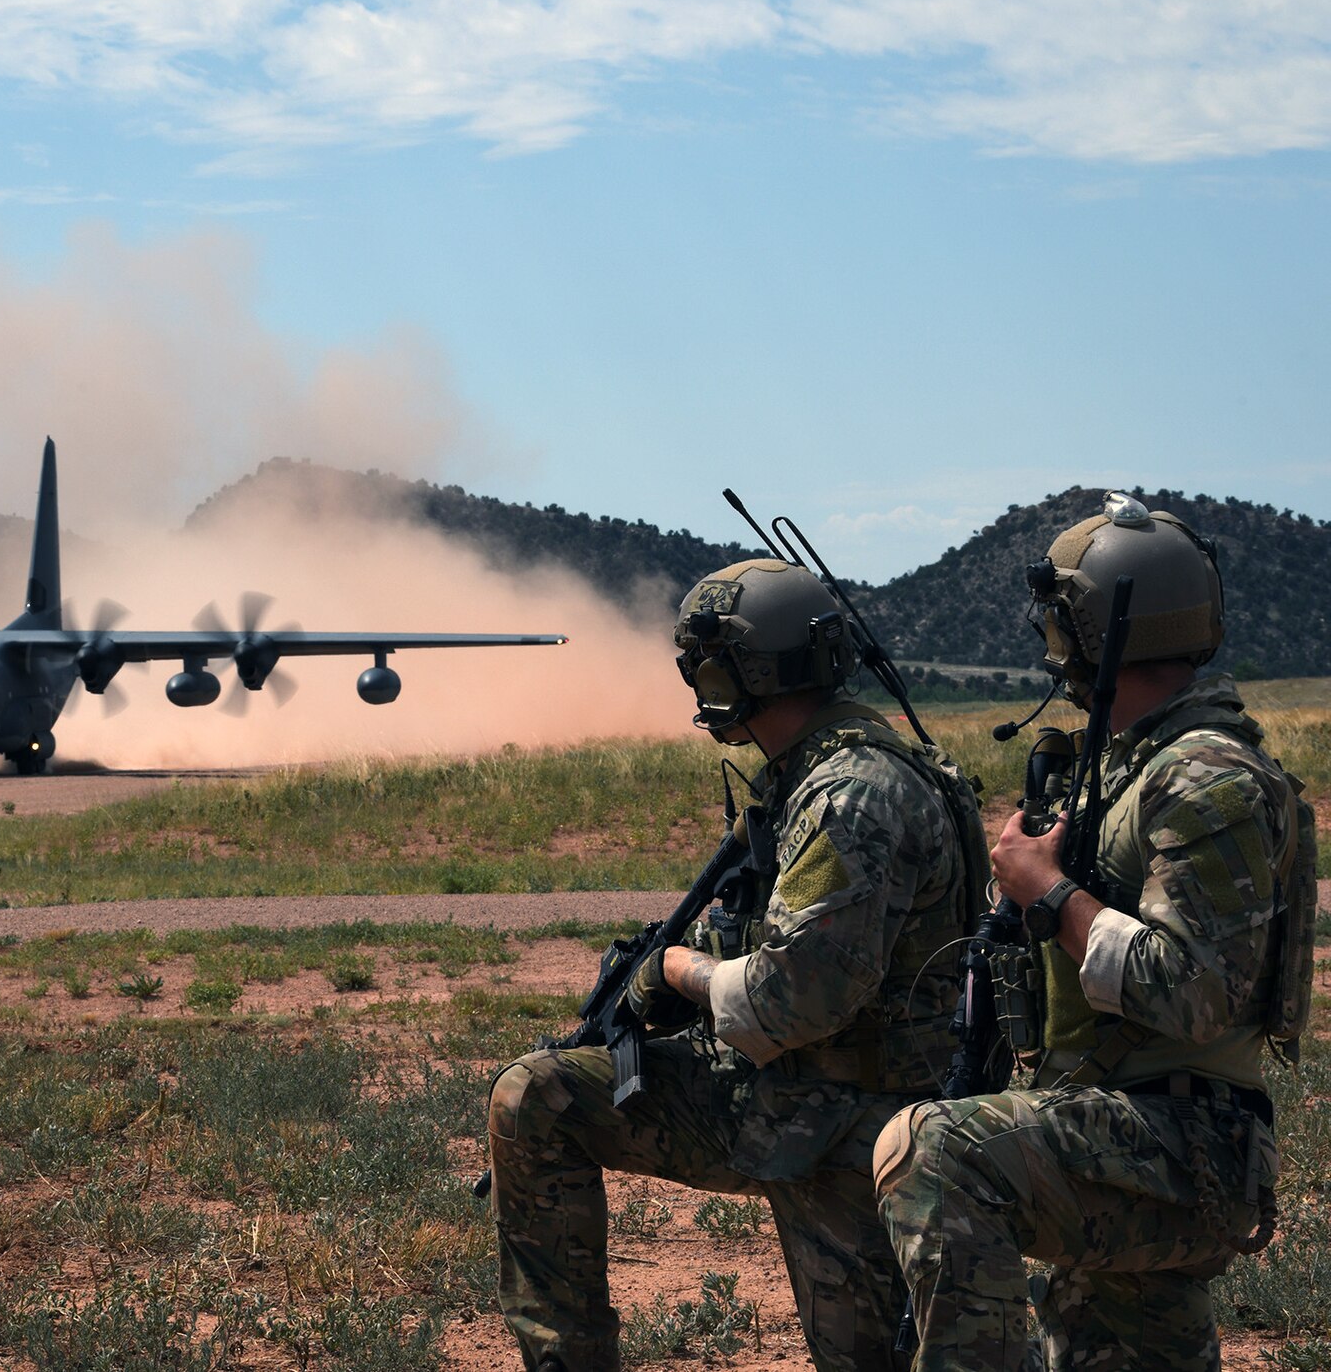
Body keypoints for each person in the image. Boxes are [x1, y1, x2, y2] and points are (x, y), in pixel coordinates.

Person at [488, 557, 987, 1372]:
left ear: (744, 673)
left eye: (707, 666)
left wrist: (676, 971)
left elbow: (793, 998)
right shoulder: (809, 773)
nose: (698, 683)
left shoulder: (852, 792)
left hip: (856, 1121)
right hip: (787, 1092)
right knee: (538, 1096)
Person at [874, 493, 1315, 1371]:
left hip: (1186, 1147)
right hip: (1134, 1124)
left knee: (934, 1150)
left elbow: (1194, 992)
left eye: (1058, 622)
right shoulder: (1130, 765)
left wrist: (1049, 895)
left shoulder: (1204, 776)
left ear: (1092, 629)